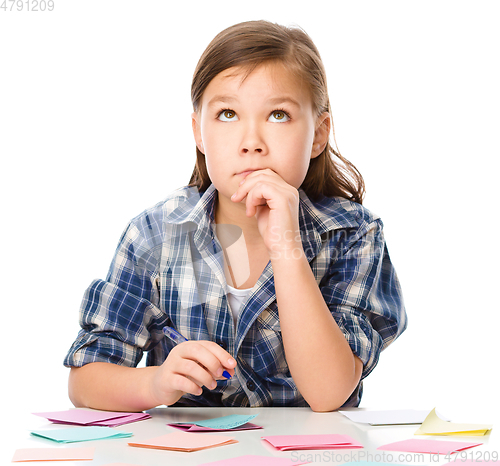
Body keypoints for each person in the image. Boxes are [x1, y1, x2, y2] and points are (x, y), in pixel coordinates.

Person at [65, 20, 407, 412]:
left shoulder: (352, 235)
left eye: (278, 115)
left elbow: (329, 392)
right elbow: (85, 380)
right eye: (228, 114)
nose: (251, 143)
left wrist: (286, 245)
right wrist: (155, 383)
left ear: (318, 133)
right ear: (199, 132)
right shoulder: (154, 234)